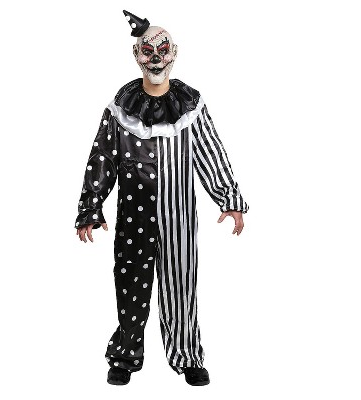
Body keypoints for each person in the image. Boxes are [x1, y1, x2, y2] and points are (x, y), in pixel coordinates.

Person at [74, 9, 249, 386]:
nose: (156, 58)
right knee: (129, 287)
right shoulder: (119, 110)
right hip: (133, 217)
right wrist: (91, 206)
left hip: (179, 218)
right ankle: (125, 355)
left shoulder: (191, 107)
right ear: (136, 55)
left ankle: (187, 355)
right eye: (147, 51)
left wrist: (229, 199)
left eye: (163, 50)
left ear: (175, 53)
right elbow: (102, 157)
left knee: (181, 287)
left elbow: (210, 152)